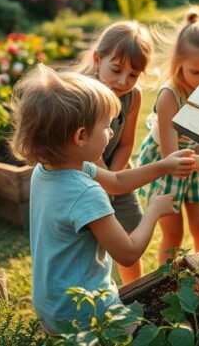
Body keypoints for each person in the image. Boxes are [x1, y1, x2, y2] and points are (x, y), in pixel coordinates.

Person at [10, 65, 196, 333]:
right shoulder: (85, 193)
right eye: (107, 126)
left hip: (51, 305)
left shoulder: (47, 170)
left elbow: (117, 182)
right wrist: (153, 211)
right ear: (81, 136)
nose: (110, 133)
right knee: (153, 334)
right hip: (86, 312)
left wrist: (163, 166)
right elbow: (128, 253)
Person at [137, 9, 199, 264]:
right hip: (169, 166)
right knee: (173, 234)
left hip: (197, 165)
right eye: (196, 72)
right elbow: (171, 156)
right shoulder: (170, 97)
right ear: (179, 63)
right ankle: (169, 279)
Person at [74, 20, 154, 285]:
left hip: (117, 172)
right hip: (81, 176)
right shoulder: (83, 94)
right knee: (89, 244)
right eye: (117, 70)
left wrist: (114, 181)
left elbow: (125, 144)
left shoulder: (133, 96)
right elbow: (86, 150)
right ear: (98, 59)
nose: (123, 81)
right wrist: (107, 183)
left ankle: (134, 290)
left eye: (133, 75)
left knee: (131, 232)